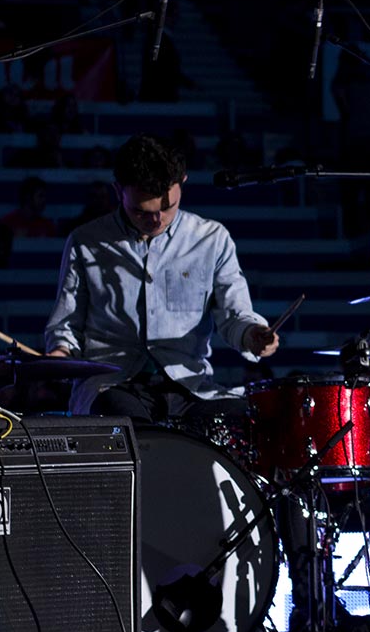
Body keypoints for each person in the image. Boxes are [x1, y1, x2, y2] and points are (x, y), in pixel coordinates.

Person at [44, 134, 279, 422]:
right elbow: (66, 323)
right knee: (130, 427)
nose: (157, 221)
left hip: (189, 385)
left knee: (248, 421)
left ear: (183, 181)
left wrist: (251, 334)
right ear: (119, 191)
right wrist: (60, 352)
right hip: (111, 385)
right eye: (142, 212)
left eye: (168, 207)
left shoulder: (211, 239)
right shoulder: (86, 241)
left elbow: (234, 315)